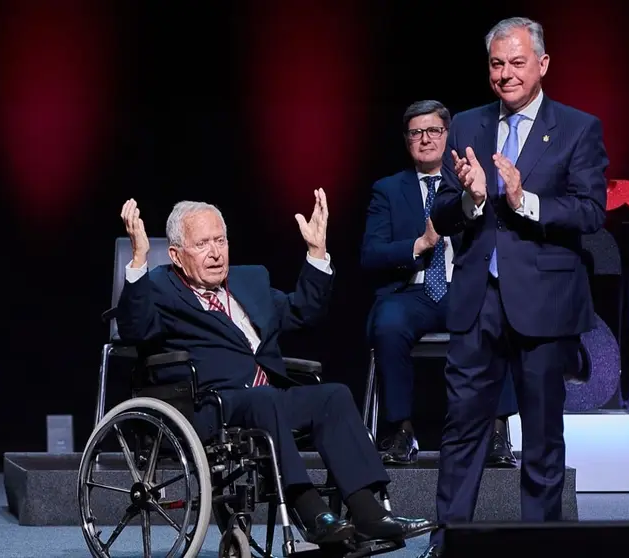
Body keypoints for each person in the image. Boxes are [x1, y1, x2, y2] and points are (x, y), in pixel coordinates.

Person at [113, 193, 434, 546]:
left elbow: (302, 312)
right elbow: (136, 328)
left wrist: (316, 253)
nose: (215, 252)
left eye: (220, 240)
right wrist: (139, 259)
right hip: (207, 406)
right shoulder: (159, 287)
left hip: (266, 400)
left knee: (334, 395)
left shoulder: (250, 281)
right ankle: (311, 513)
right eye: (202, 244)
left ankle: (368, 511)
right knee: (262, 400)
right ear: (176, 255)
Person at [419, 17, 608, 557]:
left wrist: (522, 199)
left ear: (542, 65)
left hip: (544, 304)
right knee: (460, 433)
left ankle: (540, 544)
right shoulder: (467, 126)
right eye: (497, 64)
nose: (505, 74)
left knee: (543, 437)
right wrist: (474, 199)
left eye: (517, 62)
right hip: (478, 302)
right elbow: (443, 210)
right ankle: (448, 540)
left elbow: (592, 211)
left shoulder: (577, 128)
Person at [361, 99, 519, 467]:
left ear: (448, 135)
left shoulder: (475, 181)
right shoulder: (387, 190)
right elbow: (370, 255)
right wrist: (419, 244)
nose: (426, 139)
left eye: (434, 130)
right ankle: (401, 431)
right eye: (416, 132)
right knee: (387, 323)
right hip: (410, 293)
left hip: (463, 286)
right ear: (406, 140)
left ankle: (497, 434)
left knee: (497, 312)